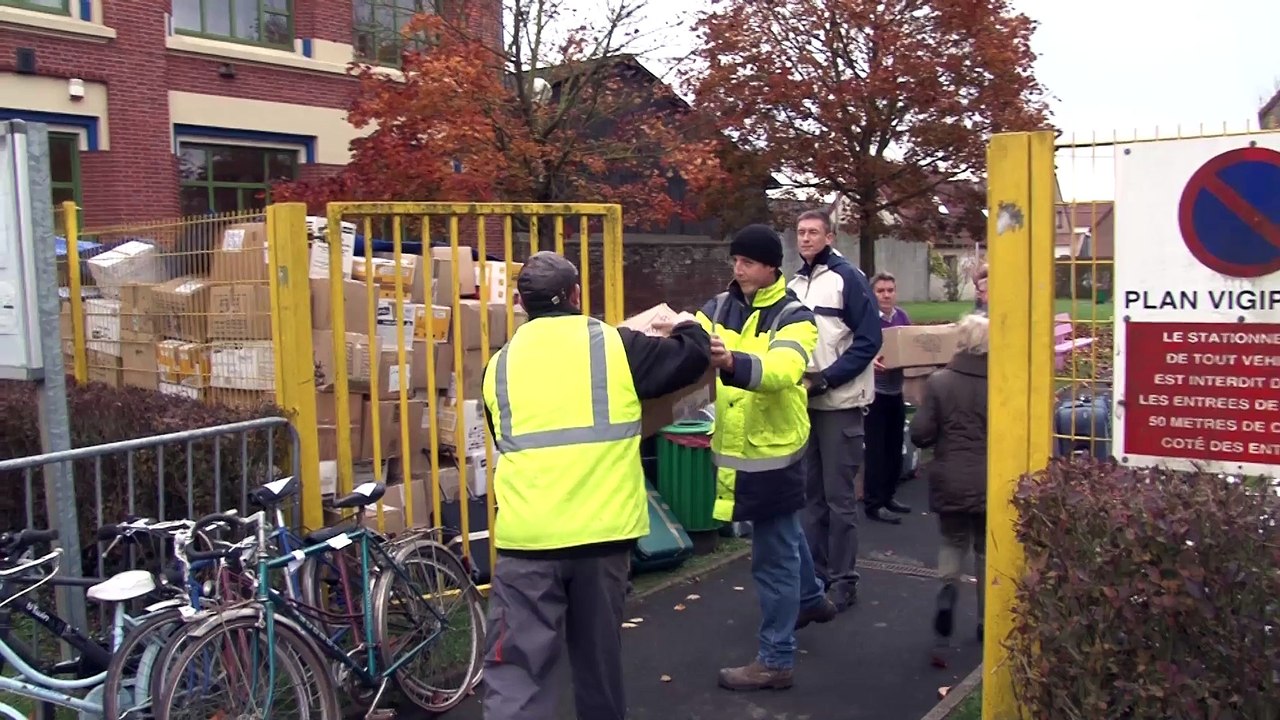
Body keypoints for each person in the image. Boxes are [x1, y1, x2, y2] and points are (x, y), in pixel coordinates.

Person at [479, 251, 713, 720]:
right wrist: (688, 324)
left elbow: (501, 435)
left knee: (518, 672)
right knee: (598, 663)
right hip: (601, 537)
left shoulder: (498, 366)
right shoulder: (615, 347)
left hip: (528, 541)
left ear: (523, 304)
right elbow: (691, 359)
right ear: (575, 296)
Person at [697, 224, 837, 692]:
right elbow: (690, 338)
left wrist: (732, 362)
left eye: (749, 262)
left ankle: (775, 659)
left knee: (771, 557)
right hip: (742, 451)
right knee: (782, 532)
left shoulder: (795, 316)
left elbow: (782, 370)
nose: (739, 268)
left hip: (775, 453)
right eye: (735, 260)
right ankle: (812, 598)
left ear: (772, 267)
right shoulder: (717, 307)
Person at [785, 210, 882, 610]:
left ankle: (844, 580)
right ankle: (816, 577)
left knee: (839, 498)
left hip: (839, 403)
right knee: (811, 498)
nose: (805, 239)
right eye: (800, 232)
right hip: (804, 402)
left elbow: (869, 338)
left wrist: (830, 377)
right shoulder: (793, 284)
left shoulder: (848, 279)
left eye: (813, 232)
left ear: (830, 236)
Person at [907, 313, 990, 665]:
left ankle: (947, 588)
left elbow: (922, 433)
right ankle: (988, 620)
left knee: (952, 541)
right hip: (990, 477)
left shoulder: (940, 382)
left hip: (950, 477)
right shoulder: (1003, 381)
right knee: (988, 550)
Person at [864, 271, 913, 525]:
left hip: (896, 391)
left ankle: (889, 496)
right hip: (875, 394)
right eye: (881, 290)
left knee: (895, 449)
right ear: (873, 294)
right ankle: (874, 503)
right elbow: (857, 350)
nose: (886, 295)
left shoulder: (902, 317)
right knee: (876, 452)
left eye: (890, 290)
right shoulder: (868, 320)